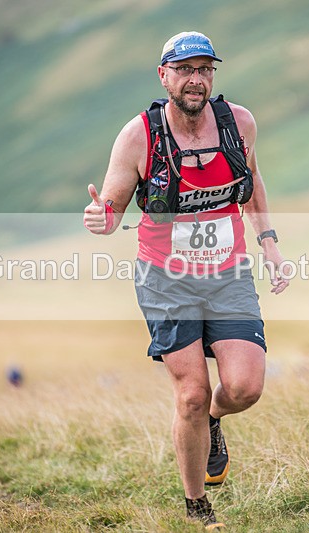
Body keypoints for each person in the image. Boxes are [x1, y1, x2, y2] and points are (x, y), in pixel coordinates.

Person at [83, 30, 289, 529]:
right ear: (164, 76)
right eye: (185, 70)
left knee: (243, 387)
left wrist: (270, 244)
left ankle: (214, 421)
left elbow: (253, 180)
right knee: (191, 394)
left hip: (229, 273)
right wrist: (100, 217)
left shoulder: (239, 123)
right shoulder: (139, 136)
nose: (196, 80)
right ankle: (197, 505)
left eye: (205, 70)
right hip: (166, 280)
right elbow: (112, 205)